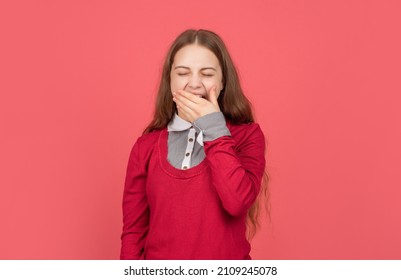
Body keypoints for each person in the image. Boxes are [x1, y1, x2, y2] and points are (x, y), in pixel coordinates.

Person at [120, 29, 267, 260]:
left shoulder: (248, 136)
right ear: (169, 80)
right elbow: (133, 232)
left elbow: (237, 202)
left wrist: (213, 128)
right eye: (183, 73)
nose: (195, 84)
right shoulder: (145, 147)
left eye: (207, 74)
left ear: (222, 81)